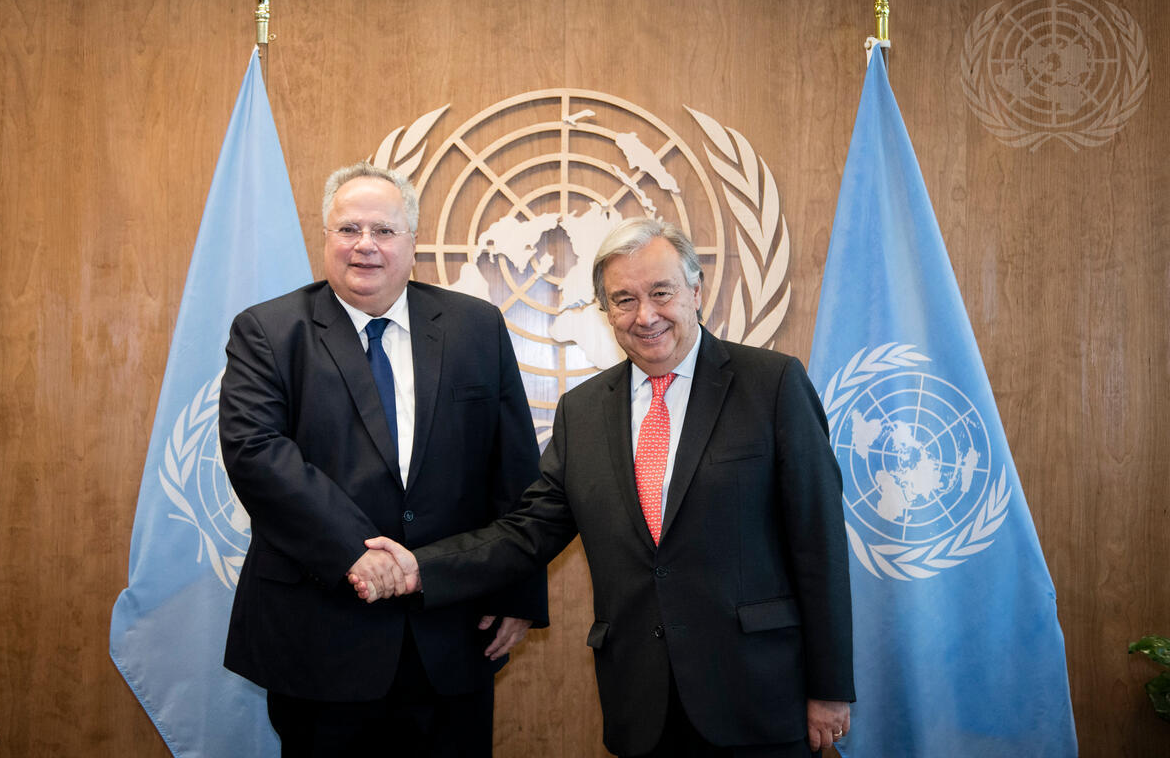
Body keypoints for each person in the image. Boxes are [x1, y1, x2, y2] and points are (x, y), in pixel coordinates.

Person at [353, 218, 855, 757]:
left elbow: (818, 543)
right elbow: (526, 532)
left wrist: (829, 688)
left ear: (695, 291)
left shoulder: (772, 384)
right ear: (605, 311)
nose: (645, 315)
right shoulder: (583, 411)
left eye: (661, 292)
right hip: (643, 703)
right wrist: (421, 567)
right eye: (624, 300)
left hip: (760, 697)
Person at [218, 162, 546, 757]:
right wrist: (356, 552)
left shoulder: (476, 327)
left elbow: (514, 469)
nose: (365, 244)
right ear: (326, 237)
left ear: (412, 243)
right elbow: (256, 454)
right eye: (349, 229)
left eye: (384, 230)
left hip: (452, 630)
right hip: (320, 633)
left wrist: (516, 594)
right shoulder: (268, 331)